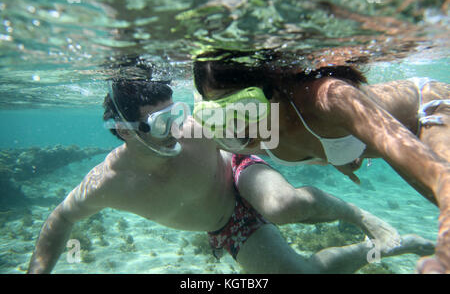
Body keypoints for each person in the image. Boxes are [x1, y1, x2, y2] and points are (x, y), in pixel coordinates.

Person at [27, 78, 432, 274]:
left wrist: (334, 151)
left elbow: (271, 131)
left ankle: (359, 216)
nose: (178, 128)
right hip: (225, 225)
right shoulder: (108, 183)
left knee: (283, 204)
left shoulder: (195, 130)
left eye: (178, 112)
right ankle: (403, 243)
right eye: (163, 121)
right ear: (124, 130)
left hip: (238, 174)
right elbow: (61, 218)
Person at [192, 50, 450, 273]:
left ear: (272, 88)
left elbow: (441, 176)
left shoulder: (328, 97)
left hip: (429, 110)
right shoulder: (242, 133)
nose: (234, 126)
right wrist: (339, 155)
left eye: (243, 105)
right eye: (217, 113)